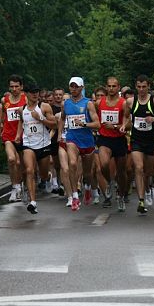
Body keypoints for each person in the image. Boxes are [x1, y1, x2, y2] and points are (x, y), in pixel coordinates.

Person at [124, 75, 154, 214]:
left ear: (148, 86)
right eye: (139, 87)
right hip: (136, 139)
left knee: (149, 171)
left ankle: (148, 189)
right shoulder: (130, 101)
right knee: (138, 168)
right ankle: (141, 200)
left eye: (144, 87)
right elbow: (126, 116)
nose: (141, 89)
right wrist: (125, 125)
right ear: (136, 87)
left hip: (150, 140)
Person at [58, 77, 100, 211]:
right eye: (71, 86)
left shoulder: (88, 104)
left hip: (87, 141)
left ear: (82, 88)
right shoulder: (66, 104)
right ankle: (75, 196)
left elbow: (97, 124)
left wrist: (85, 124)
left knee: (87, 173)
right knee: (73, 164)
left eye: (76, 86)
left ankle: (87, 187)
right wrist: (60, 134)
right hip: (72, 138)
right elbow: (62, 118)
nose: (73, 89)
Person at [15, 83, 57, 214]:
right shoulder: (22, 110)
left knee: (43, 174)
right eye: (32, 92)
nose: (35, 94)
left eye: (37, 91)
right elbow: (21, 123)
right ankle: (33, 202)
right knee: (29, 170)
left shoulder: (44, 107)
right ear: (26, 93)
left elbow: (54, 124)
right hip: (28, 144)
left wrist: (41, 119)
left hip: (43, 145)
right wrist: (18, 135)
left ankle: (47, 176)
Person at [96, 77, 130, 211]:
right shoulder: (99, 103)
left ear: (118, 87)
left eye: (114, 86)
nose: (111, 89)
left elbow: (129, 125)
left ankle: (121, 196)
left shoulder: (123, 103)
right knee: (103, 164)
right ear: (106, 87)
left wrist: (116, 127)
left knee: (121, 172)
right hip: (104, 139)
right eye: (109, 86)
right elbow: (95, 120)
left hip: (119, 139)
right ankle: (109, 183)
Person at [0, 75, 27, 201]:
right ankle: (15, 188)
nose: (14, 89)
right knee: (11, 159)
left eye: (16, 86)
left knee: (22, 164)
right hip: (8, 135)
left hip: (24, 136)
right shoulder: (5, 100)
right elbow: (2, 114)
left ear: (21, 87)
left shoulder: (26, 99)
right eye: (12, 86)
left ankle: (21, 184)